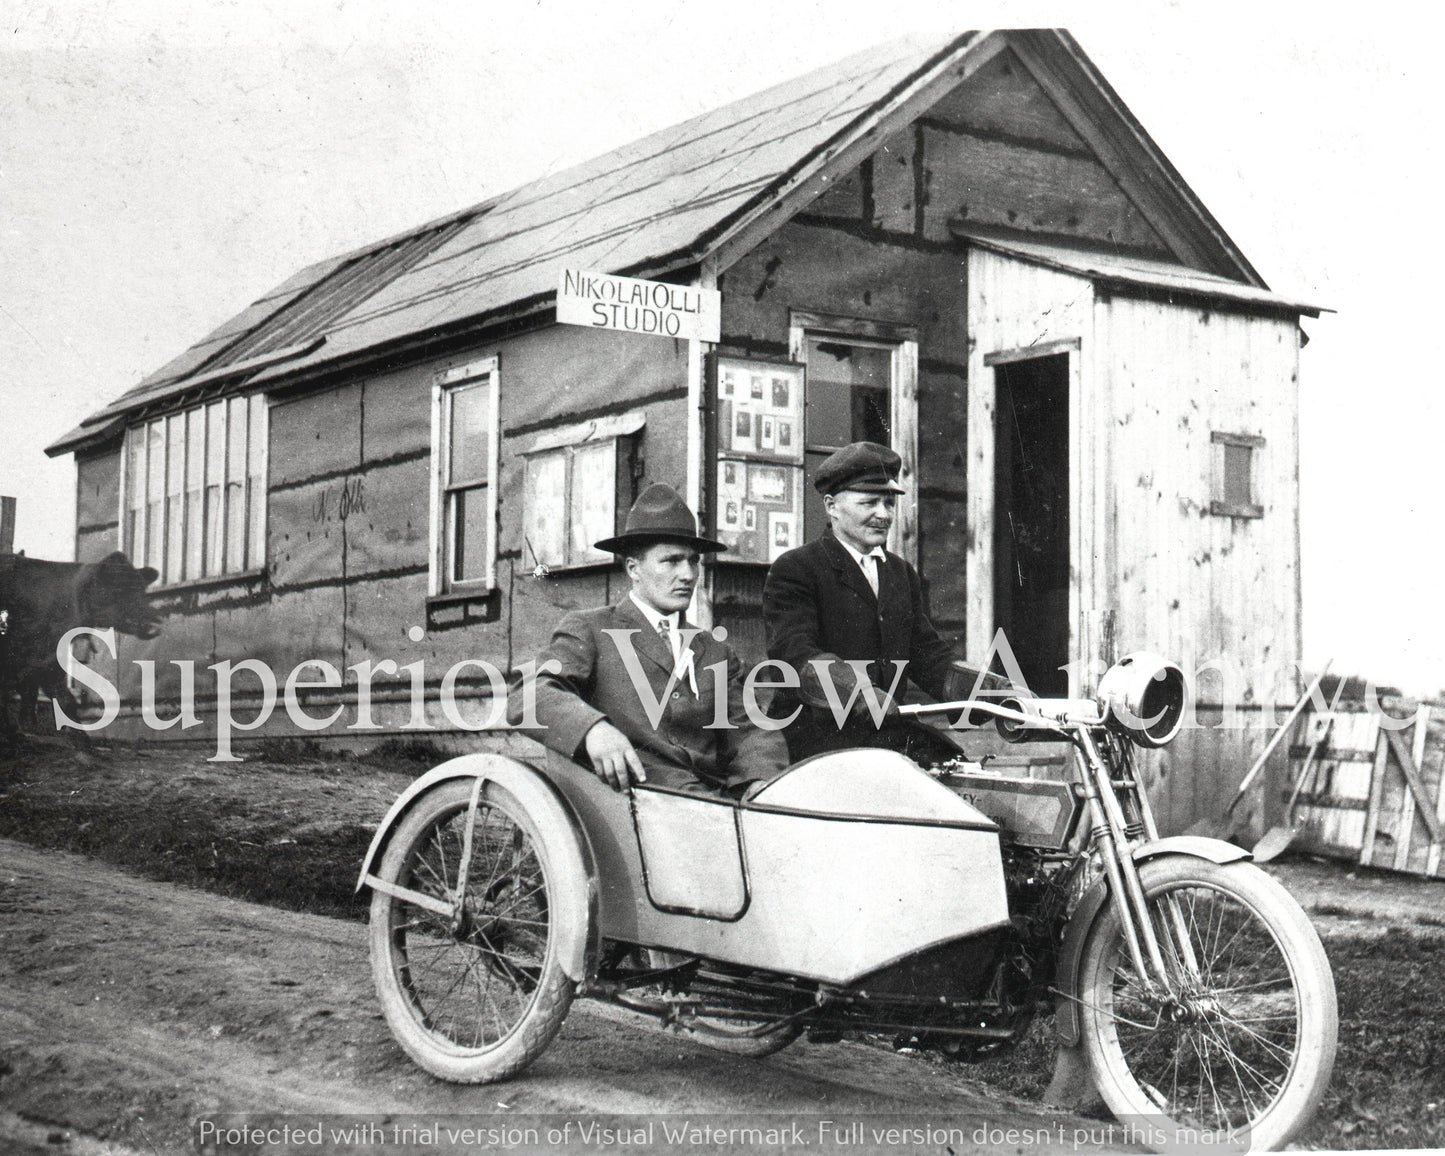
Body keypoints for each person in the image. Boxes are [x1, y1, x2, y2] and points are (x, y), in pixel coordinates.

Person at [510, 484, 789, 796]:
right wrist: (592, 729)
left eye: (693, 561)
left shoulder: (715, 651)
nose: (687, 574)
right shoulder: (591, 630)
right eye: (671, 561)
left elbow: (750, 730)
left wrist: (759, 781)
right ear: (634, 568)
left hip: (716, 803)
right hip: (635, 802)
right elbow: (529, 694)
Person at [763, 441, 999, 761]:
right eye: (869, 503)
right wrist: (859, 692)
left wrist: (994, 692)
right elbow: (796, 654)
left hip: (883, 734)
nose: (883, 514)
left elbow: (927, 655)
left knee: (954, 771)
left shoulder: (900, 573)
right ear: (832, 506)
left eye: (889, 503)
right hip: (816, 741)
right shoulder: (797, 568)